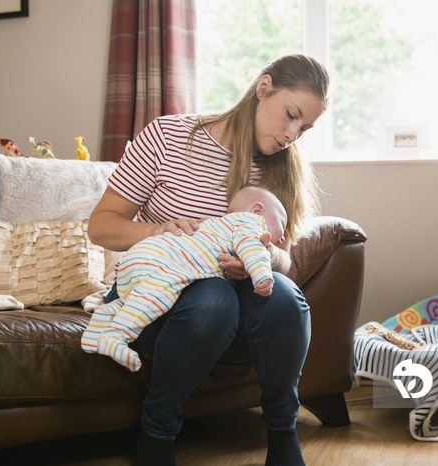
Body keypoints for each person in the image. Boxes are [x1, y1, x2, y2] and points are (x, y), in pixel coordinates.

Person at [87, 54, 329, 466]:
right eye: (290, 115)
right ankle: (157, 433)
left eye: (303, 128)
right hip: (159, 301)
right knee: (213, 296)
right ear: (263, 87)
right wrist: (156, 230)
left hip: (238, 317)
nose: (292, 134)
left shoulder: (281, 169)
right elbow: (100, 226)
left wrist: (266, 257)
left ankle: (283, 436)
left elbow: (285, 261)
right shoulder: (167, 136)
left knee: (286, 297)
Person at [81, 186, 287, 372]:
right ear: (257, 210)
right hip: (163, 263)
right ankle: (115, 337)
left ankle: (96, 331)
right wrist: (261, 274)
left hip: (137, 258)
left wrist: (272, 256)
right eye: (281, 223)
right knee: (159, 293)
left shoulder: (214, 225)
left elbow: (282, 257)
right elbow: (252, 248)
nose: (284, 237)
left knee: (129, 298)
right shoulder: (251, 222)